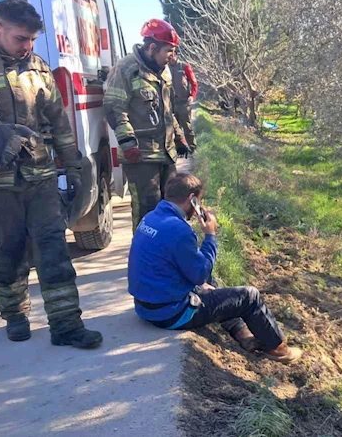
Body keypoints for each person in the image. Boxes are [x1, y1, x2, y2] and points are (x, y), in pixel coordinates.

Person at [0, 0, 102, 348]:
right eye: (20, 38)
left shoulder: (38, 68)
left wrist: (72, 166)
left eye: (31, 40)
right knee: (7, 252)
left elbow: (58, 121)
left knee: (54, 249)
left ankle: (66, 324)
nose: (27, 47)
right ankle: (15, 314)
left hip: (39, 178)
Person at [128, 173, 303, 364]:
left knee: (213, 285)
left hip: (145, 306)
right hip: (170, 314)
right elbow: (201, 272)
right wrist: (210, 235)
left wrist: (201, 283)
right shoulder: (179, 230)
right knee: (249, 296)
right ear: (192, 199)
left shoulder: (150, 218)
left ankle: (243, 334)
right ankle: (278, 350)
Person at [104, 18, 191, 232]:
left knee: (171, 207)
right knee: (147, 210)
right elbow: (114, 108)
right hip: (141, 156)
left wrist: (179, 136)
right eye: (168, 51)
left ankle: (167, 255)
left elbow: (167, 110)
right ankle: (145, 258)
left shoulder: (164, 71)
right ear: (152, 47)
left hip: (165, 153)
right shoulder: (126, 69)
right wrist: (128, 144)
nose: (171, 57)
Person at [169, 51, 198, 155]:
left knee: (187, 127)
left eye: (172, 55)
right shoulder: (164, 68)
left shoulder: (185, 67)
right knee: (173, 128)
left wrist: (192, 96)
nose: (170, 58)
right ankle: (178, 149)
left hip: (183, 102)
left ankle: (192, 149)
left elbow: (194, 83)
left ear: (176, 55)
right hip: (171, 103)